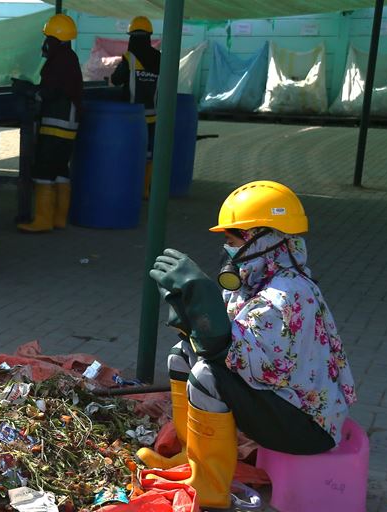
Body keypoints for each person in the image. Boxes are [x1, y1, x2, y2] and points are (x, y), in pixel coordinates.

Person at [141, 180, 356, 509]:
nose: (227, 249)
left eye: (231, 240)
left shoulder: (286, 294)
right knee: (181, 357)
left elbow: (226, 354)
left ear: (262, 239)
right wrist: (186, 304)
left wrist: (202, 295)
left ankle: (210, 488)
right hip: (282, 400)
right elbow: (211, 341)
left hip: (307, 425)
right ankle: (192, 460)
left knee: (206, 376)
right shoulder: (254, 279)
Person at [12, 13, 82, 233]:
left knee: (44, 170)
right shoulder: (69, 57)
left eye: (47, 38)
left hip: (56, 124)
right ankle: (59, 219)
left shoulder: (59, 61)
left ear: (55, 39)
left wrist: (29, 90)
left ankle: (43, 221)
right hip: (68, 124)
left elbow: (50, 92)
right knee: (60, 170)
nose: (44, 43)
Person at [109, 16, 159, 199]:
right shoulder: (158, 57)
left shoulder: (130, 58)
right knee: (148, 154)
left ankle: (129, 188)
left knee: (131, 152)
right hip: (153, 115)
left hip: (132, 116)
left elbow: (116, 79)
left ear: (132, 37)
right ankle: (144, 191)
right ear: (148, 36)